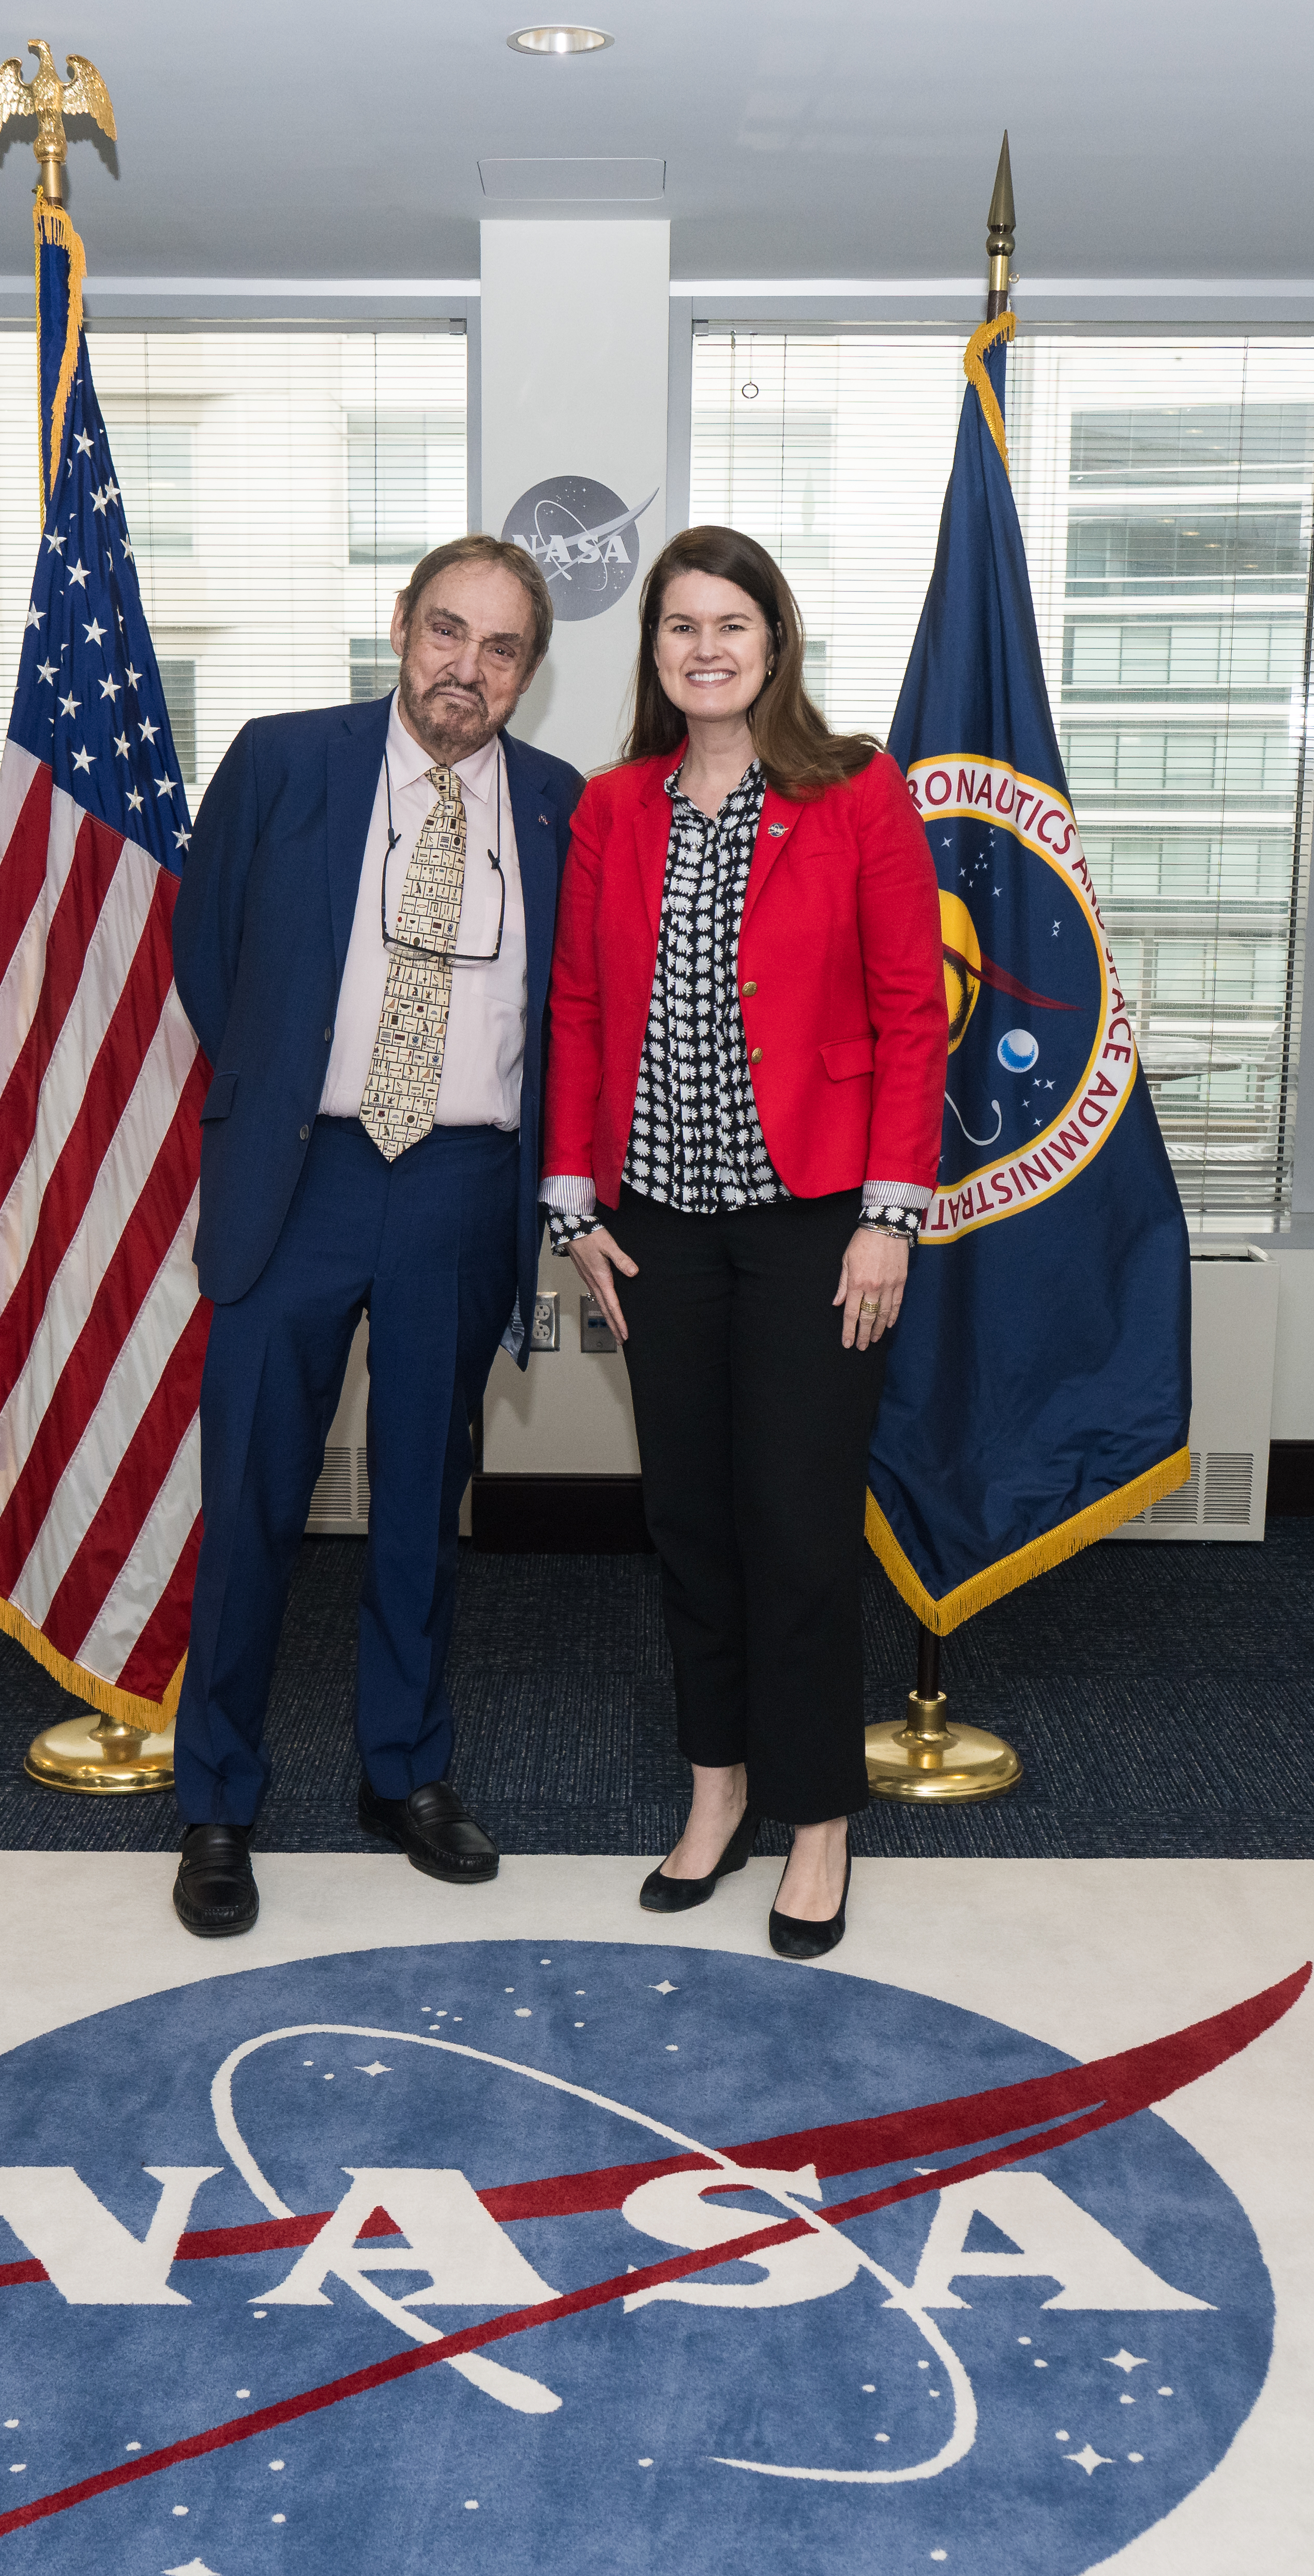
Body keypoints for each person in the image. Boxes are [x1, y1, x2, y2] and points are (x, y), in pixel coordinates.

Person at [541, 525, 947, 1960]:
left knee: (796, 1525)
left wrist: (891, 1214)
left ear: (775, 643)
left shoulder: (856, 794)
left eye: (732, 624)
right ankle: (717, 1794)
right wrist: (573, 1201)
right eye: (679, 628)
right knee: (690, 1523)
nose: (705, 649)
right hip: (657, 1228)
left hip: (817, 1225)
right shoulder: (615, 807)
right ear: (653, 653)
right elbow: (581, 1010)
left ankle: (818, 1820)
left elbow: (914, 1011)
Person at [168, 535, 583, 1936]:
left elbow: (569, 1012)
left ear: (528, 671)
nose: (467, 668)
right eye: (447, 631)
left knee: (423, 1499)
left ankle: (402, 1772)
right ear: (401, 627)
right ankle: (217, 1800)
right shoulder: (285, 762)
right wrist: (291, 1093)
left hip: (461, 1191)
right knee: (254, 1504)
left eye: (502, 648)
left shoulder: (558, 808)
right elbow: (207, 951)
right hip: (305, 1178)